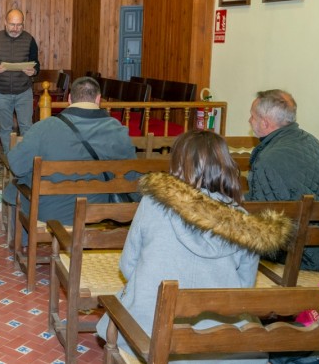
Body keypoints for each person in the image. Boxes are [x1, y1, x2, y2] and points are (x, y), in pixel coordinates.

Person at [96, 131, 292, 364]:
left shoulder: (153, 202)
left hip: (151, 333)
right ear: (225, 167)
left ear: (178, 163)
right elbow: (244, 290)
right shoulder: (247, 224)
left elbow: (127, 266)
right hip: (218, 346)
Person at [4, 76, 135, 226]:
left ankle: (26, 242)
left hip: (49, 215)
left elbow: (17, 166)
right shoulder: (117, 129)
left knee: (19, 187)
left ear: (70, 99)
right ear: (98, 99)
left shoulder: (44, 127)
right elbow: (131, 175)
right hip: (99, 212)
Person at [246, 89, 319, 272]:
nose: (249, 120)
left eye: (252, 116)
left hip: (303, 252)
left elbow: (266, 230)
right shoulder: (309, 141)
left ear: (265, 122)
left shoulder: (267, 159)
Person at [0, 8, 40, 153]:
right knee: (5, 128)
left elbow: (36, 63)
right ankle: (10, 159)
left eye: (19, 25)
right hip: (1, 91)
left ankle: (26, 158)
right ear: (5, 23)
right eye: (12, 25)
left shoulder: (29, 39)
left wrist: (33, 71)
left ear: (23, 24)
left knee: (26, 126)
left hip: (24, 91)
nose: (15, 29)